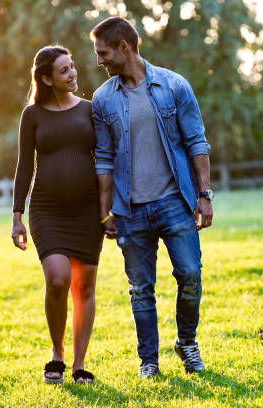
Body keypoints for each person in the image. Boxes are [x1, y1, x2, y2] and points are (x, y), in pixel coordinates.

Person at [90, 17, 213, 379]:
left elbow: (196, 142)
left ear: (123, 47)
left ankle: (186, 344)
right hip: (129, 209)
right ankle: (149, 361)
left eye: (103, 53)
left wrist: (204, 194)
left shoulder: (174, 86)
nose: (99, 61)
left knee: (190, 274)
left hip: (175, 201)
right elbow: (103, 158)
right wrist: (105, 211)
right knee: (140, 289)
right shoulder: (102, 99)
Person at [11, 45, 104, 384]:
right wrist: (17, 214)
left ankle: (79, 364)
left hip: (87, 210)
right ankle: (57, 352)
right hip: (47, 209)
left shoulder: (92, 110)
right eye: (64, 70)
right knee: (57, 278)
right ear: (46, 78)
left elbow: (107, 161)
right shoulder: (32, 115)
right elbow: (24, 168)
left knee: (85, 286)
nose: (73, 73)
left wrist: (109, 211)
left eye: (72, 66)